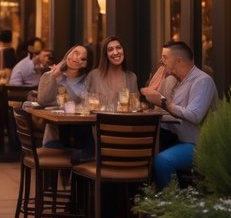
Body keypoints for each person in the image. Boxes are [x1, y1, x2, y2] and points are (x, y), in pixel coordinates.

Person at [140, 40, 218, 188]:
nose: (161, 62)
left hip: (198, 144)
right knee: (142, 156)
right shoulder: (175, 81)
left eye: (164, 58)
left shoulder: (202, 81)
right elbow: (159, 104)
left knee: (163, 161)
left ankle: (172, 206)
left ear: (178, 61)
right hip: (177, 140)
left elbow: (195, 115)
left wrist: (163, 102)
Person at [36, 43, 96, 152]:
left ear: (85, 64)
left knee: (86, 149)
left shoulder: (88, 81)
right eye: (75, 53)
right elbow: (43, 101)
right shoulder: (48, 76)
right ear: (68, 54)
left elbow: (83, 105)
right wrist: (54, 78)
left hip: (82, 136)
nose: (77, 58)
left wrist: (62, 81)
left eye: (82, 58)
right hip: (56, 137)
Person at [87, 35, 139, 112]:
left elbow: (136, 107)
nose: (115, 52)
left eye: (118, 48)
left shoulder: (132, 77)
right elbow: (85, 104)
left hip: (125, 123)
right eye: (110, 49)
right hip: (99, 122)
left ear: (123, 50)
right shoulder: (94, 75)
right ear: (105, 55)